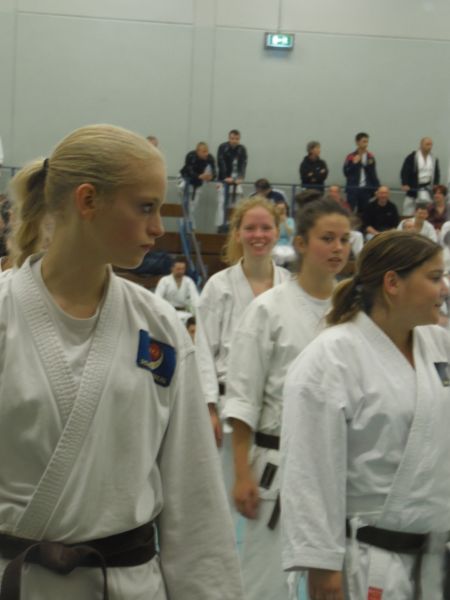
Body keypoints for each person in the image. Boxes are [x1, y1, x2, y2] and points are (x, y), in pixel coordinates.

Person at [0, 124, 243, 600]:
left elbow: (194, 494)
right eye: (146, 207)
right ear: (88, 201)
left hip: (127, 585)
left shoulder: (160, 326)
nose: (158, 228)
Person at [281, 230, 450, 600]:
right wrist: (321, 566)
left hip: (435, 560)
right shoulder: (331, 358)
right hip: (365, 562)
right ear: (393, 283)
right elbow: (309, 470)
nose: (445, 288)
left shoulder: (440, 345)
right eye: (435, 277)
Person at [223, 199, 352, 600]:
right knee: (263, 585)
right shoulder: (268, 309)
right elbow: (243, 398)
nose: (338, 248)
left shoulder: (353, 312)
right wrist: (241, 472)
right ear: (300, 243)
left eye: (345, 239)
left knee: (332, 585)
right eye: (327, 238)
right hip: (274, 464)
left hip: (335, 467)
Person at [196, 196, 289, 450]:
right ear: (237, 234)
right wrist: (208, 408)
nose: (258, 235)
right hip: (226, 407)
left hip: (277, 411)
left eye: (266, 227)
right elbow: (203, 351)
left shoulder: (290, 286)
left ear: (277, 233)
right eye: (250, 228)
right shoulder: (218, 286)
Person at [216, 129, 248, 230]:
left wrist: (241, 176)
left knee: (235, 204)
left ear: (239, 139)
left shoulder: (242, 149)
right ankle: (221, 225)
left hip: (236, 180)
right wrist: (225, 177)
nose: (234, 141)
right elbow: (221, 162)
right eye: (232, 138)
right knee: (222, 203)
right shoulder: (223, 147)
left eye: (237, 139)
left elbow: (243, 163)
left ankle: (233, 225)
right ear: (229, 138)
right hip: (223, 180)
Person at [179, 142, 216, 227]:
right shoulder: (191, 156)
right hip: (185, 179)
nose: (206, 154)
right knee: (185, 205)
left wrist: (211, 177)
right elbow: (189, 170)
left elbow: (214, 172)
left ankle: (189, 224)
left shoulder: (210, 158)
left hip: (198, 183)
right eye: (204, 151)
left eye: (207, 151)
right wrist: (199, 176)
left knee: (193, 206)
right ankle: (185, 224)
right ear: (198, 151)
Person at [401, 137, 440, 216]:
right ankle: (407, 220)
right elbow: (405, 171)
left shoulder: (433, 158)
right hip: (413, 187)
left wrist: (436, 183)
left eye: (431, 145)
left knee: (427, 210)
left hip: (427, 188)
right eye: (427, 144)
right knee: (408, 209)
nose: (430, 147)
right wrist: (405, 183)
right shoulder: (412, 157)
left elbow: (436, 172)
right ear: (421, 145)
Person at [343, 132, 380, 214]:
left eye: (367, 141)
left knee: (364, 212)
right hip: (353, 189)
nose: (366, 144)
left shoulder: (370, 157)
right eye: (364, 141)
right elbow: (346, 172)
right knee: (349, 211)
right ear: (357, 142)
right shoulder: (351, 156)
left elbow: (373, 174)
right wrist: (354, 164)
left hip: (366, 190)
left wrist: (377, 188)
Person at [271, 200, 296, 267]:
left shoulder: (290, 221)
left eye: (283, 209)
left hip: (286, 245)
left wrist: (284, 222)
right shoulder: (273, 221)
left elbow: (291, 233)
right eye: (279, 209)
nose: (281, 211)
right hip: (275, 244)